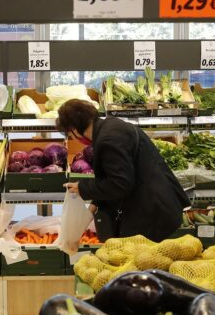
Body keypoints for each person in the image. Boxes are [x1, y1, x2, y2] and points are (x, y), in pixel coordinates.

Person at [57, 98, 190, 242]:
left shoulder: (108, 140)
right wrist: (93, 206)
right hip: (157, 203)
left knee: (142, 255)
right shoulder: (111, 126)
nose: (74, 139)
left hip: (151, 212)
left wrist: (82, 188)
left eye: (70, 135)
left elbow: (120, 183)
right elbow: (115, 174)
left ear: (74, 129)